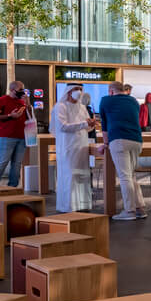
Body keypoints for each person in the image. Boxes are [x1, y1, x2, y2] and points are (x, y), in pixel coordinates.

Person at [99, 81, 147, 221]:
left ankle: (129, 211)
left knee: (125, 176)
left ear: (111, 91)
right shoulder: (133, 101)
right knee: (131, 175)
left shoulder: (106, 100)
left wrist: (105, 143)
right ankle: (140, 208)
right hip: (136, 140)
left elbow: (104, 124)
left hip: (119, 140)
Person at [52, 83, 96, 213]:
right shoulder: (60, 106)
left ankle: (82, 204)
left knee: (82, 175)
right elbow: (63, 127)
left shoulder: (82, 107)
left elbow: (87, 127)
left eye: (81, 89)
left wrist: (91, 125)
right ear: (69, 91)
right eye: (76, 89)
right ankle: (68, 206)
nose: (79, 91)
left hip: (82, 145)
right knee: (69, 175)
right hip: (67, 146)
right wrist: (84, 124)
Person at [0, 80, 31, 188]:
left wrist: (28, 104)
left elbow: (31, 117)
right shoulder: (2, 100)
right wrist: (10, 116)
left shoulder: (23, 102)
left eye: (23, 90)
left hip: (22, 137)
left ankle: (13, 188)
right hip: (6, 137)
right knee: (2, 163)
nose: (23, 92)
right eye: (20, 90)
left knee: (17, 165)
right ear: (12, 90)